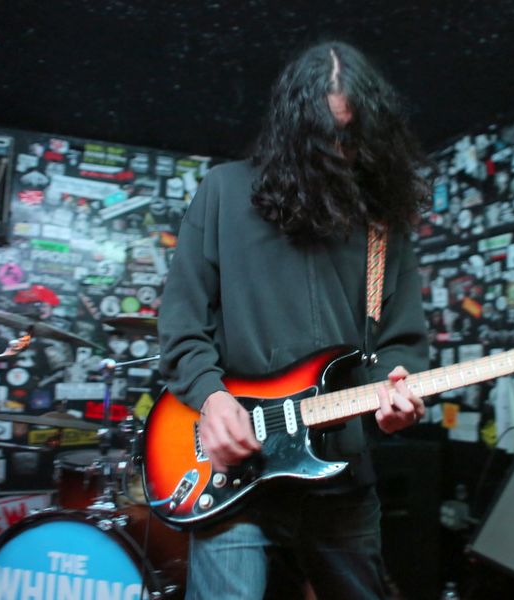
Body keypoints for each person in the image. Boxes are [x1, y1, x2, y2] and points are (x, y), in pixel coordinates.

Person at [156, 40, 431, 600]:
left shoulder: (382, 223)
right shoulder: (224, 191)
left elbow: (399, 341)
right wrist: (211, 398)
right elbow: (182, 323)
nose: (338, 152)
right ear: (292, 128)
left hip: (341, 472)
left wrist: (395, 392)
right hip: (235, 473)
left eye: (351, 137)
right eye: (324, 135)